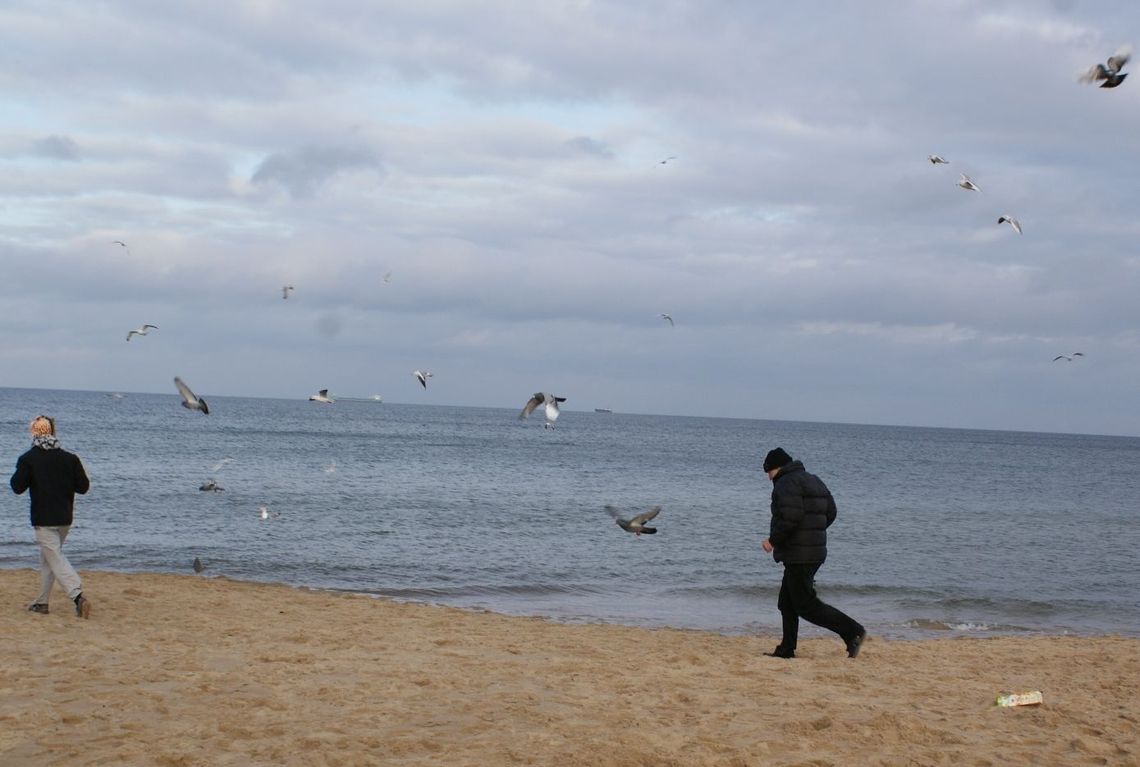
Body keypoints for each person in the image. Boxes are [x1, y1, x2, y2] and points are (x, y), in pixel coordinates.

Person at [760, 447, 864, 659]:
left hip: (800, 554)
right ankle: (787, 648)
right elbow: (831, 511)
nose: (768, 477)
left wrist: (772, 540)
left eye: (767, 472)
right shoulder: (812, 479)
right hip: (811, 551)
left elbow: (790, 517)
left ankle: (853, 631)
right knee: (786, 602)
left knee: (806, 605)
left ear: (775, 468)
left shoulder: (785, 483)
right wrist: (814, 533)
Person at [9, 416, 92, 618]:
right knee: (49, 559)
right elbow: (83, 487)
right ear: (53, 432)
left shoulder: (28, 459)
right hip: (64, 518)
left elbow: (17, 487)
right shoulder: (70, 459)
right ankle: (42, 603)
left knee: (54, 558)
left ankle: (77, 595)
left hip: (43, 519)